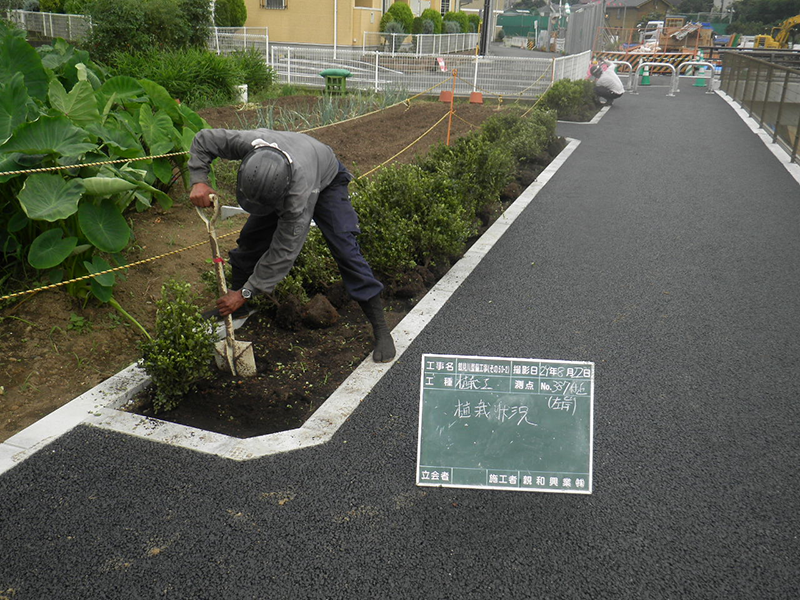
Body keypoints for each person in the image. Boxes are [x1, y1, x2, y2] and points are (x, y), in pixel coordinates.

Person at [188, 128, 396, 363]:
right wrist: (199, 179)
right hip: (294, 165)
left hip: (326, 180)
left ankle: (380, 328)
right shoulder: (250, 143)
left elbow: (284, 251)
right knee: (250, 239)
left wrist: (248, 291)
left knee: (346, 250)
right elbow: (204, 139)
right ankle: (239, 308)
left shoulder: (298, 198)